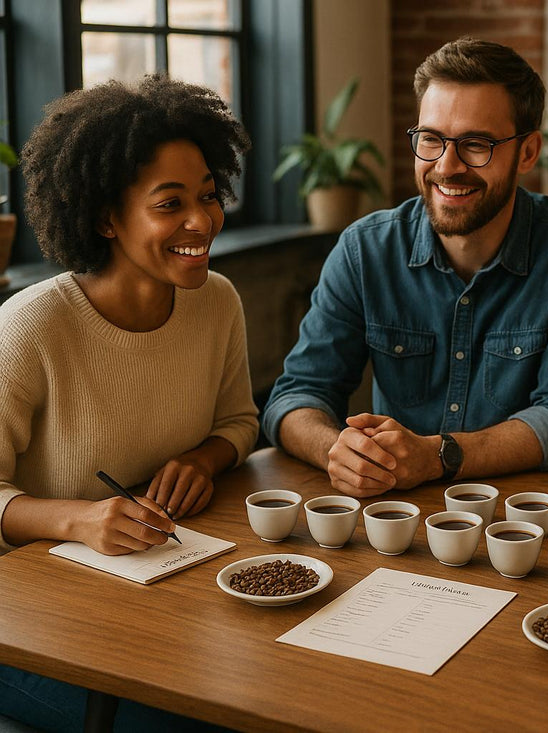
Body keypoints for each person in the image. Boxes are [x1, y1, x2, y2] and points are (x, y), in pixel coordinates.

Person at [0, 76, 256, 730]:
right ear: (105, 217)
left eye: (207, 196)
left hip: (151, 596)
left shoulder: (217, 300)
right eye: (170, 204)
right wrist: (79, 520)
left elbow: (240, 420)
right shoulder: (31, 328)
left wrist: (204, 457)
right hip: (27, 624)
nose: (202, 221)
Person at [263, 38, 548, 496]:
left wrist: (438, 456)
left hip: (524, 519)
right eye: (431, 139)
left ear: (528, 153)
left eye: (475, 144)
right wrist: (338, 450)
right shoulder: (363, 250)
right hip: (393, 516)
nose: (446, 167)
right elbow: (295, 397)